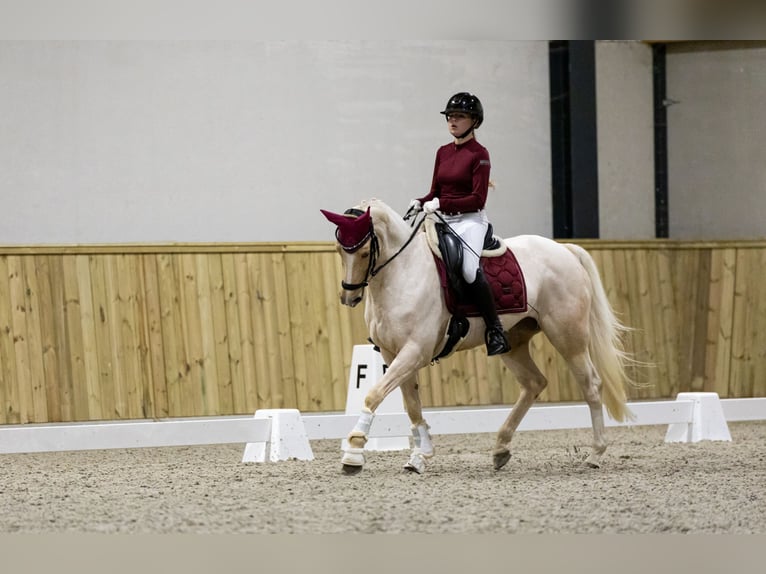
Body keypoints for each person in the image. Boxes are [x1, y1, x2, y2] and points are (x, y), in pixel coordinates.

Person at [409, 92, 510, 356]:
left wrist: (442, 204)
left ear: (474, 121)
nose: (452, 121)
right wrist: (421, 201)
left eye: (460, 116)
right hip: (443, 219)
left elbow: (478, 198)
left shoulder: (480, 154)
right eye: (450, 116)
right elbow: (435, 191)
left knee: (468, 268)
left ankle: (495, 329)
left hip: (470, 221)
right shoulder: (442, 152)